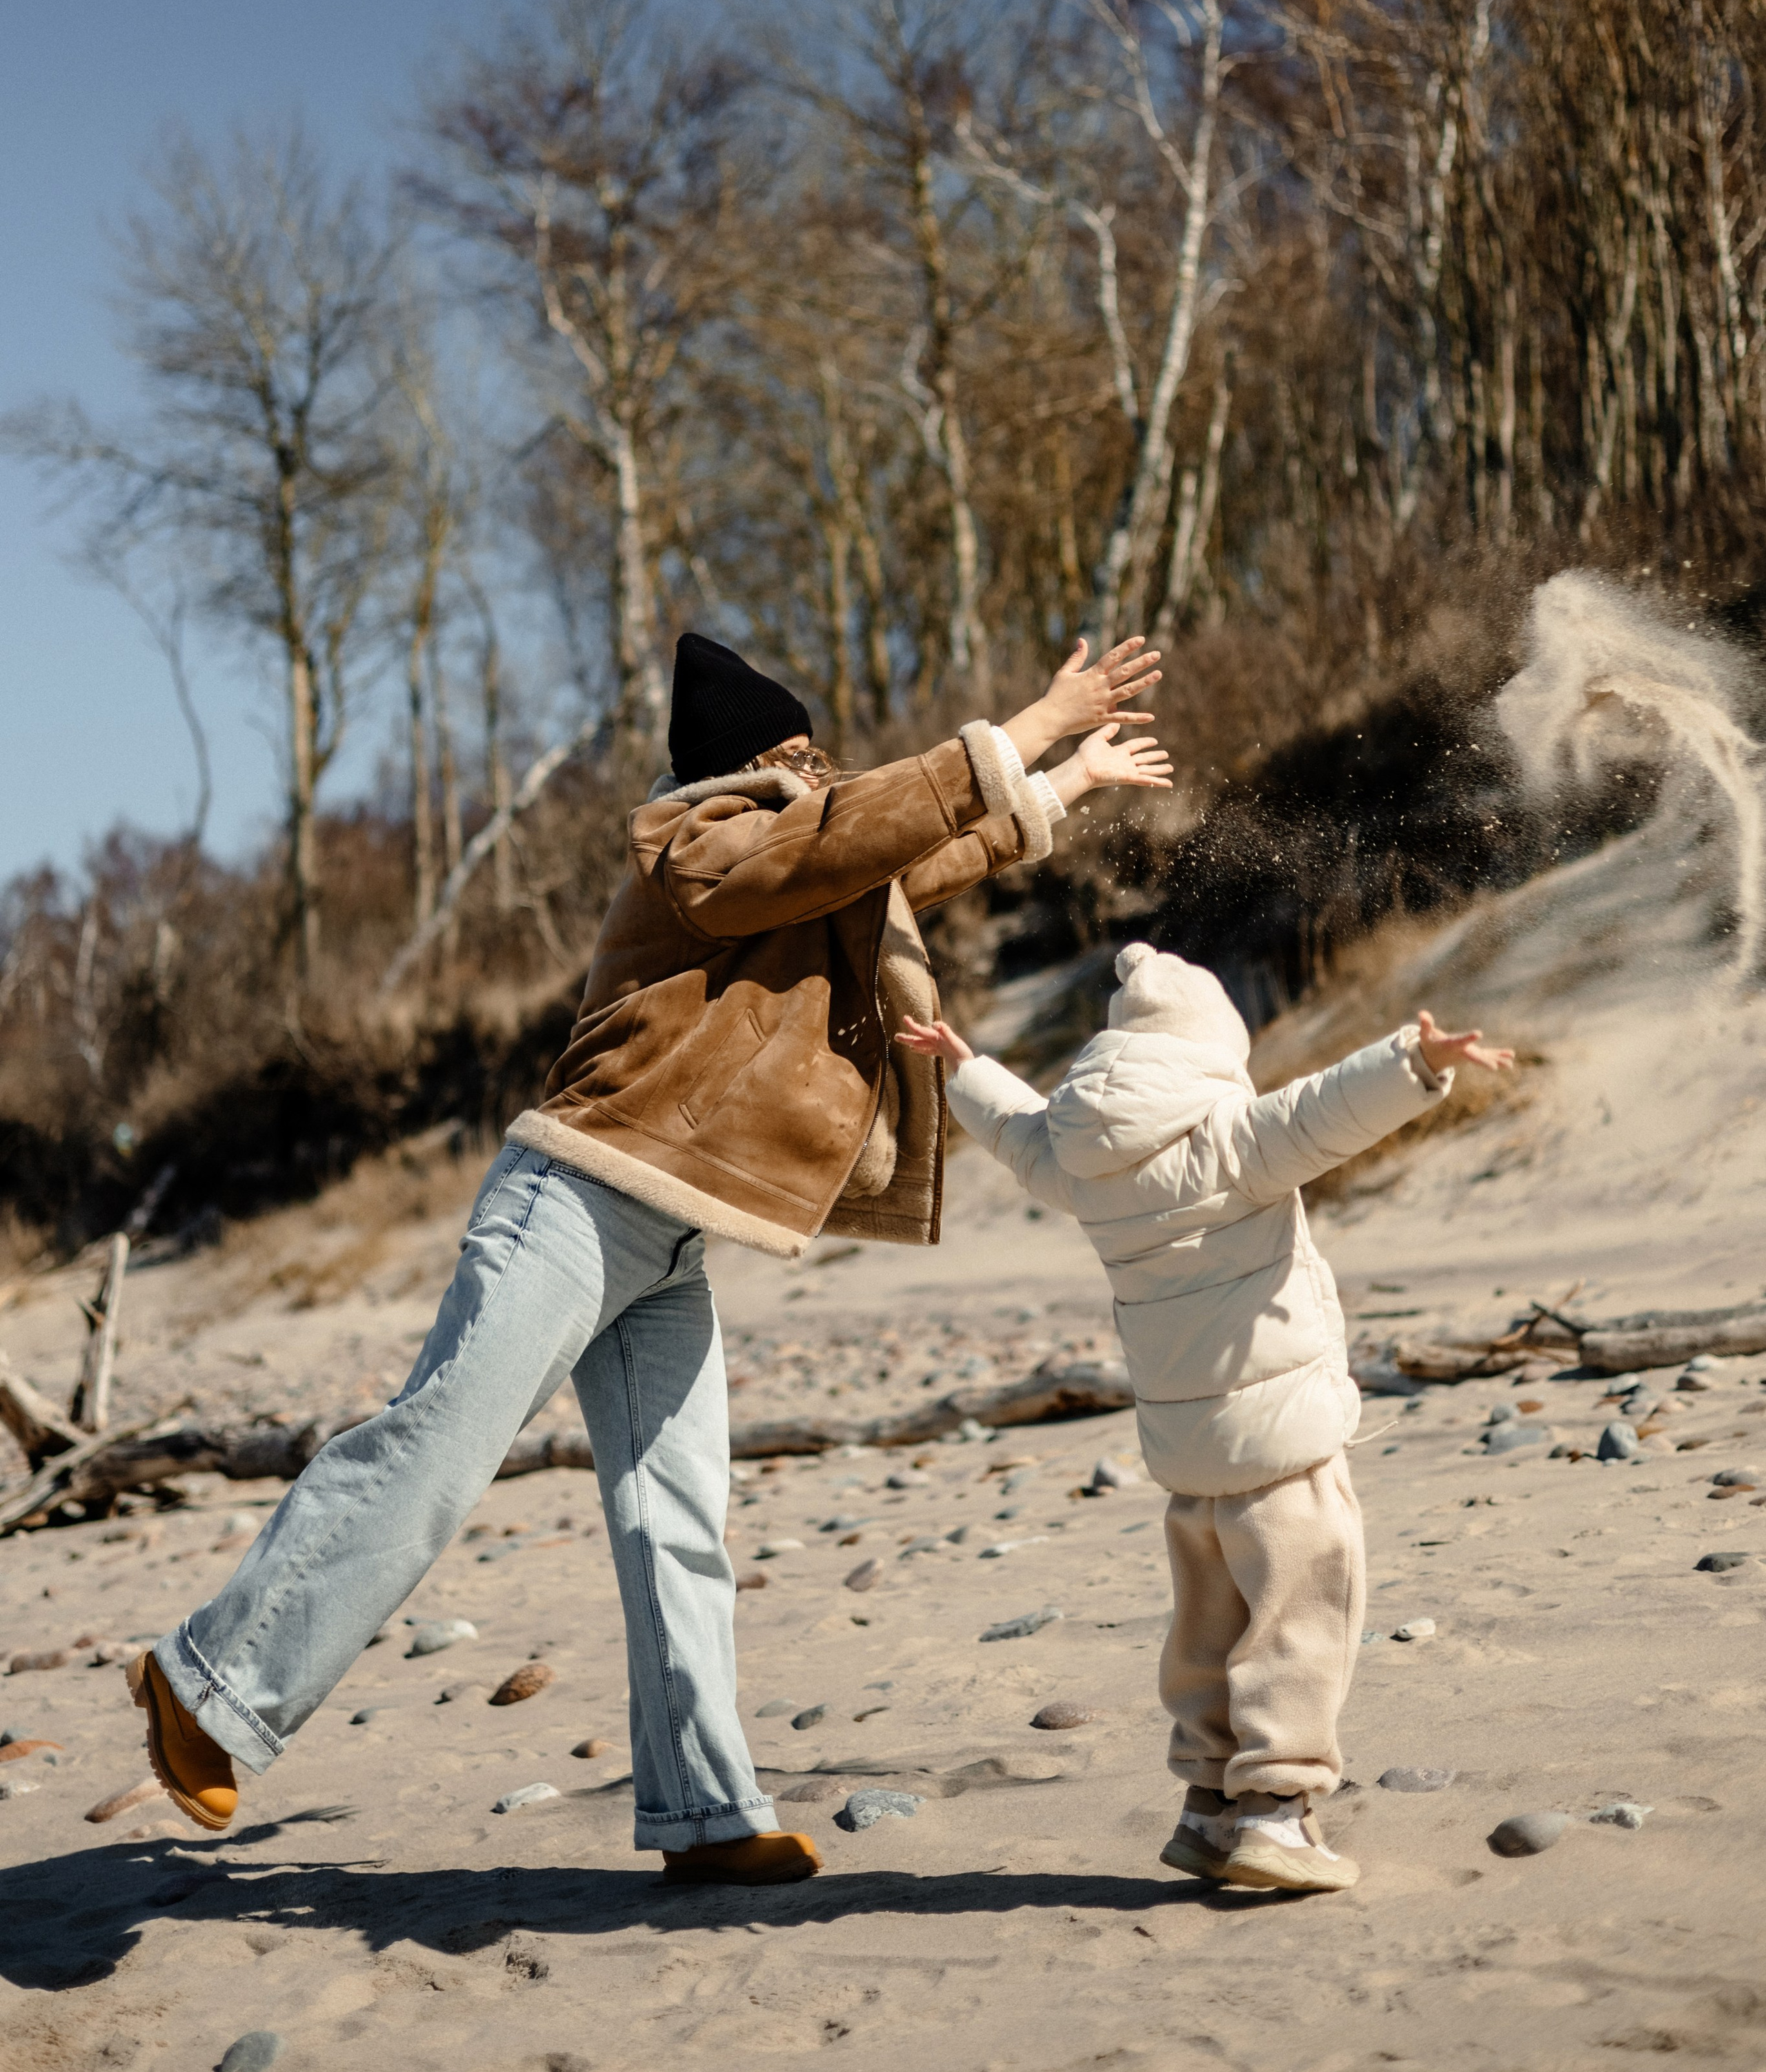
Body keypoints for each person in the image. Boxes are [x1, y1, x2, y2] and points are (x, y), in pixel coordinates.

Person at [127, 631, 1171, 1886]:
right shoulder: (698, 847)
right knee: (435, 1453)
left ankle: (703, 1810)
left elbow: (893, 863)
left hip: (668, 1236)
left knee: (677, 1524)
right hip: (571, 1202)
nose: (813, 777)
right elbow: (837, 842)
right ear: (741, 769)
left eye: (816, 761)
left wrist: (1057, 785)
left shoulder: (789, 853)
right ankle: (206, 1680)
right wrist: (1032, 723)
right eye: (792, 758)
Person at [899, 941, 1513, 1895]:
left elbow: (1020, 1134)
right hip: (1283, 1438)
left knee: (1210, 1624)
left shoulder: (1086, 1161)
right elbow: (1325, 1112)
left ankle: (1205, 1811)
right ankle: (1276, 1812)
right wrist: (1416, 1063)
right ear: (1209, 1049)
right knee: (1299, 1618)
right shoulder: (1231, 1139)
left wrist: (964, 1069)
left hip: (1184, 1452)